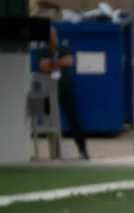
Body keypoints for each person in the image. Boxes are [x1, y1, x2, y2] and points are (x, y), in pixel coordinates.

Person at [37, 27, 89, 160]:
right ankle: (54, 152)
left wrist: (54, 63)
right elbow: (43, 66)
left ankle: (83, 150)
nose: (52, 40)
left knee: (74, 119)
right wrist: (58, 63)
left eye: (53, 37)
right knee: (51, 121)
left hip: (65, 89)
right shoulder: (42, 51)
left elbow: (69, 61)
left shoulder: (63, 49)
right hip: (49, 92)